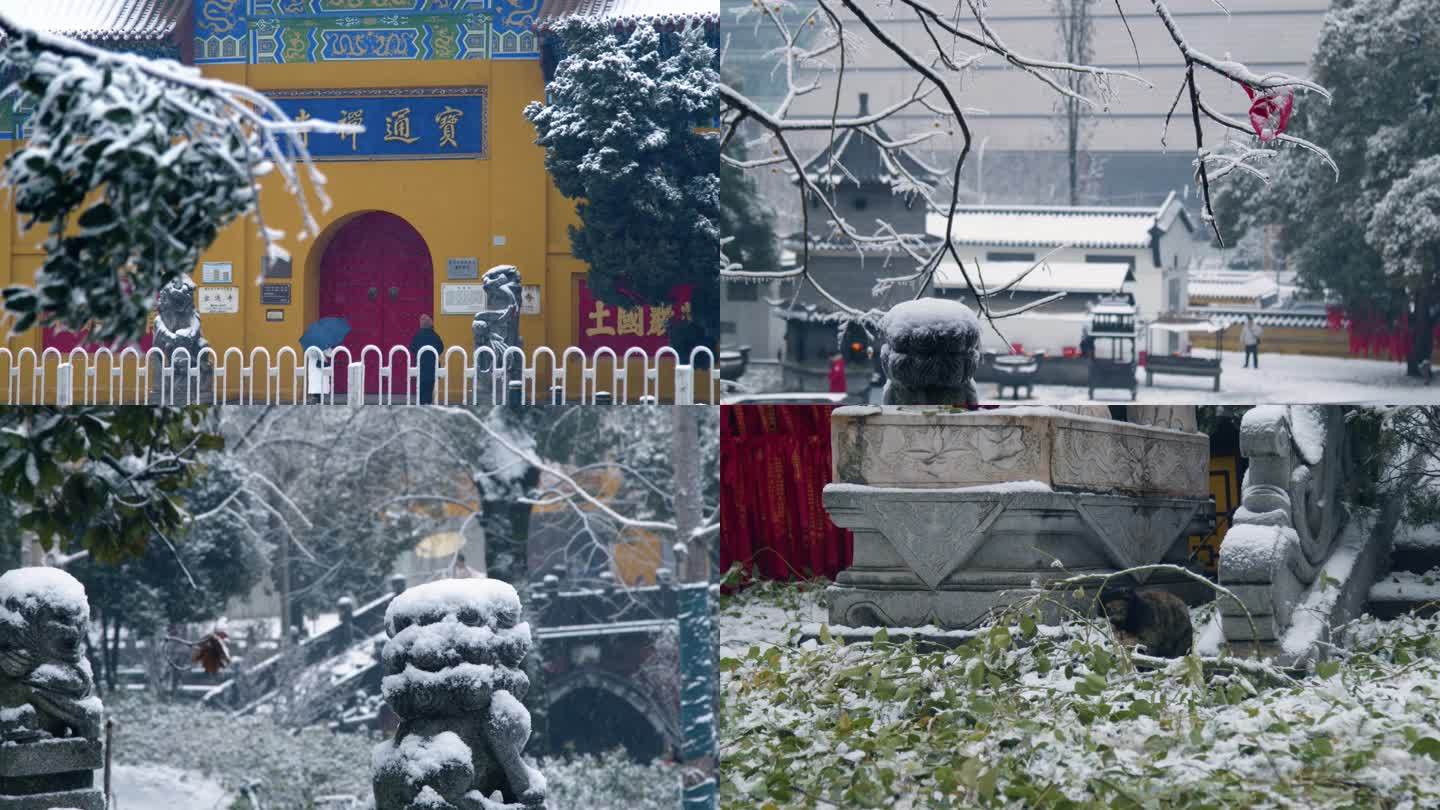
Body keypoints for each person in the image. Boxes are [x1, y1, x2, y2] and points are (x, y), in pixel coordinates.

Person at [409, 314, 445, 404]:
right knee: (430, 389)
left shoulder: (418, 336)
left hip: (421, 366)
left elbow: (412, 347)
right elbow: (441, 347)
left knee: (421, 389)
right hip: (433, 367)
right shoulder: (435, 335)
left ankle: (421, 404)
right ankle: (428, 403)